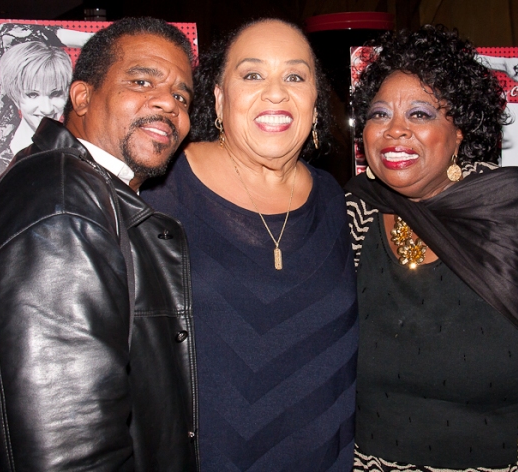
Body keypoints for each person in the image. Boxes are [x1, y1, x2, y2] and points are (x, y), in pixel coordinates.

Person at [0, 17, 198, 471]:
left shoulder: (85, 190)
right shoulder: (63, 198)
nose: (168, 103)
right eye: (141, 81)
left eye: (182, 96)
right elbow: (65, 452)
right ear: (81, 97)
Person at [142, 18, 358, 471]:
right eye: (253, 74)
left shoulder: (335, 199)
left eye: (295, 77)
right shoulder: (158, 192)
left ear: (315, 101)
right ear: (219, 98)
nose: (276, 92)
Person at [345, 25, 518, 471]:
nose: (394, 130)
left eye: (420, 114)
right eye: (378, 115)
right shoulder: (352, 215)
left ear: (459, 131)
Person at [0, 23, 93, 196]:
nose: (46, 108)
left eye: (55, 94)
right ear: (15, 97)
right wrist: (94, 41)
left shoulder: (79, 156)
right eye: (32, 95)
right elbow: (6, 34)